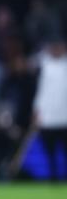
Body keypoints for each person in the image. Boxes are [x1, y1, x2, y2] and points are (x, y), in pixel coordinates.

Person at [32, 35, 67, 181]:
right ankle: (53, 176)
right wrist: (36, 110)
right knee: (50, 151)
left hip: (64, 116)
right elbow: (40, 91)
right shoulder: (44, 65)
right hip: (48, 117)